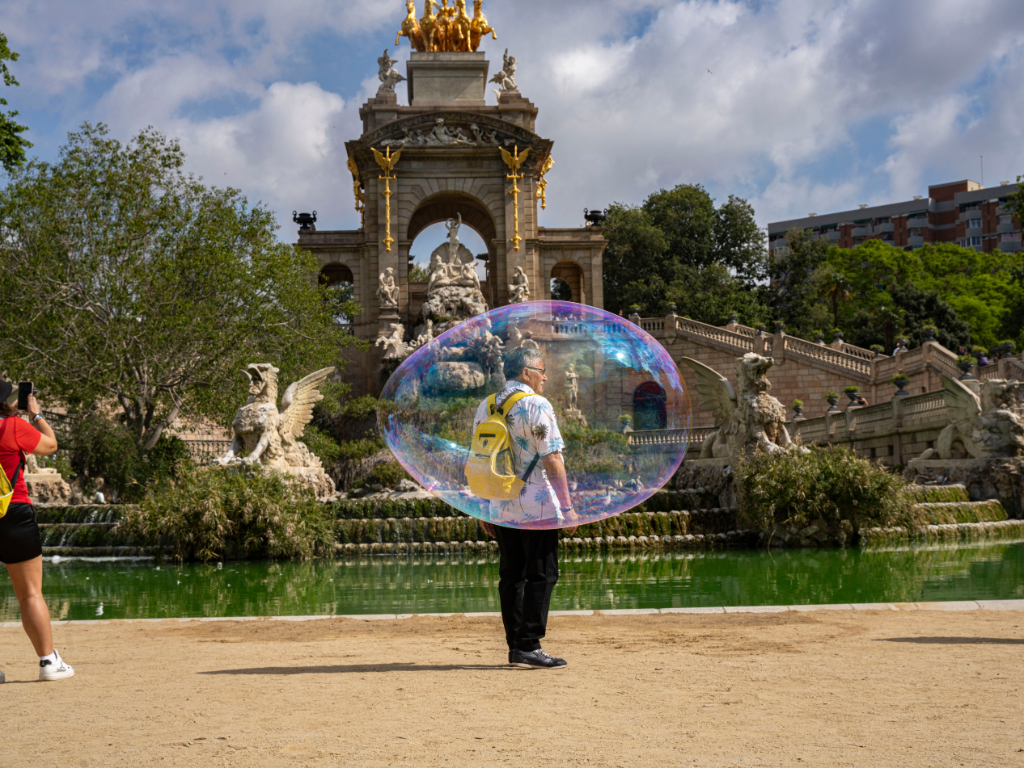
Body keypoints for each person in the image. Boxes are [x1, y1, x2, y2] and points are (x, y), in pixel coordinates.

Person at [474, 347, 577, 669]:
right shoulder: (536, 404)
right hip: (537, 505)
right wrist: (568, 507)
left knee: (511, 576)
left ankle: (516, 646)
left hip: (501, 503)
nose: (545, 376)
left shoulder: (486, 406)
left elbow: (478, 460)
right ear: (525, 372)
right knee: (542, 574)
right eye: (541, 370)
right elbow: (552, 457)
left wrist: (483, 507)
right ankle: (529, 644)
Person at [0, 382, 74, 681]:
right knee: (30, 593)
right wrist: (36, 414)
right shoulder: (13, 426)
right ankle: (48, 663)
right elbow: (50, 445)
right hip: (13, 512)